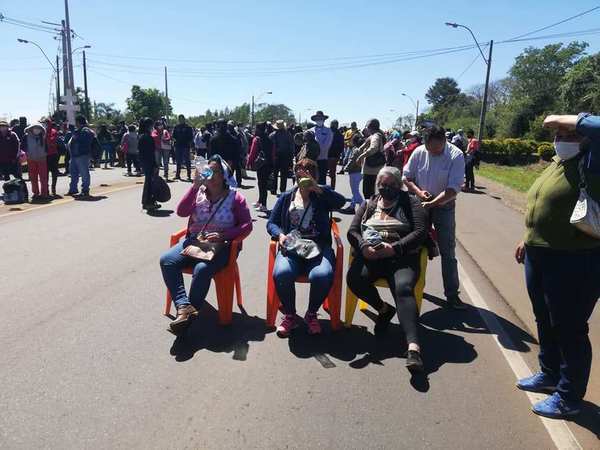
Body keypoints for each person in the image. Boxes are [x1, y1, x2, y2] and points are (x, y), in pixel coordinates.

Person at [514, 113, 600, 419]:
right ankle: (549, 374)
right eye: (559, 135)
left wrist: (568, 118)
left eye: (570, 134)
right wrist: (528, 238)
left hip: (575, 258)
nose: (562, 139)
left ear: (586, 139)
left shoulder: (592, 163)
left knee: (570, 328)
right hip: (540, 253)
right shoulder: (558, 164)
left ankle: (569, 396)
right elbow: (543, 206)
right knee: (545, 320)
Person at [347, 166, 428, 371]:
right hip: (373, 256)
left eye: (392, 185)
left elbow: (420, 232)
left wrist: (394, 248)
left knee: (402, 288)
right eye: (382, 184)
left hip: (400, 257)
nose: (386, 188)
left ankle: (413, 348)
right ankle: (384, 310)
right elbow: (353, 231)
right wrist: (364, 247)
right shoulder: (368, 203)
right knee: (355, 279)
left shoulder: (411, 202)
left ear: (400, 185)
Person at [160, 154, 253, 334]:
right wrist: (195, 186)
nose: (212, 176)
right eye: (208, 171)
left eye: (217, 172)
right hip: (195, 242)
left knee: (202, 269)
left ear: (224, 175)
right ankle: (184, 307)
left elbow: (246, 225)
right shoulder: (199, 193)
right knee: (167, 260)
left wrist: (224, 234)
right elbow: (181, 212)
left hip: (222, 247)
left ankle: (188, 316)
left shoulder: (235, 197)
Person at [267, 158, 346, 337]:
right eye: (300, 170)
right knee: (282, 273)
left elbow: (341, 202)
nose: (303, 174)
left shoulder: (322, 193)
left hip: (318, 247)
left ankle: (311, 314)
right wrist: (280, 235)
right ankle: (290, 314)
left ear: (316, 174)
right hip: (293, 248)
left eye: (309, 171)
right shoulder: (287, 196)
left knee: (322, 275)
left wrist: (317, 188)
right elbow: (272, 222)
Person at [403, 124, 466, 309]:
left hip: (444, 206)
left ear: (444, 142)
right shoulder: (419, 152)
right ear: (425, 142)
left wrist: (432, 203)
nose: (433, 152)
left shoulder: (456, 155)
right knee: (413, 246)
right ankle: (410, 286)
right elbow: (406, 177)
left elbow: (453, 188)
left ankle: (452, 295)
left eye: (437, 149)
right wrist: (419, 192)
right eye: (430, 149)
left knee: (448, 251)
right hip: (420, 203)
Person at [247, 122, 273, 213]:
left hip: (261, 165)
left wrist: (249, 163)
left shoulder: (257, 139)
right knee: (263, 184)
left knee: (262, 185)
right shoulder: (269, 138)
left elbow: (252, 153)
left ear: (258, 129)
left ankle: (264, 205)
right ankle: (260, 201)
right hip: (268, 164)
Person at [356, 119, 386, 199]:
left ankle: (370, 210)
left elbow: (373, 148)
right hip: (374, 169)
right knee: (370, 193)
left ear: (370, 127)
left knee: (368, 193)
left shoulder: (376, 136)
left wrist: (361, 156)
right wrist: (361, 149)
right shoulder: (375, 135)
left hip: (371, 170)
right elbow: (365, 144)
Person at [66, 116, 94, 197]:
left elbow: (81, 139)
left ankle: (85, 190)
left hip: (82, 155)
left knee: (84, 173)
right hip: (75, 155)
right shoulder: (78, 130)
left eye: (76, 122)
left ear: (79, 122)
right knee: (73, 173)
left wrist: (73, 132)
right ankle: (73, 189)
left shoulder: (86, 130)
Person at [139, 118, 160, 210]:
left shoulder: (141, 136)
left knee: (148, 182)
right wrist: (155, 164)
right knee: (149, 183)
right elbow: (150, 153)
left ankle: (147, 201)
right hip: (149, 162)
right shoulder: (147, 137)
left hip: (144, 162)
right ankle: (148, 202)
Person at [23, 123, 48, 200]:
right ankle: (35, 193)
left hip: (42, 159)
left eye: (39, 128)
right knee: (33, 177)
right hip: (31, 159)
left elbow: (46, 147)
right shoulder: (26, 137)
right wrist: (27, 153)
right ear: (31, 128)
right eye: (35, 128)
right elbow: (23, 147)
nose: (37, 130)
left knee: (43, 177)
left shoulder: (43, 137)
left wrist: (44, 154)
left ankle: (44, 193)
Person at [342, 133, 365, 213]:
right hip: (360, 172)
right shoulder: (362, 149)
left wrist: (345, 168)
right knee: (355, 191)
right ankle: (352, 206)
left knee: (355, 192)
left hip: (354, 172)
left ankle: (364, 207)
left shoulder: (356, 150)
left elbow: (352, 161)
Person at [270, 119, 295, 194]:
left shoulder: (272, 135)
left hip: (276, 157)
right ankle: (282, 190)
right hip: (285, 157)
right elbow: (291, 147)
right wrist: (291, 156)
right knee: (284, 175)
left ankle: (273, 189)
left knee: (274, 174)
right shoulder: (288, 134)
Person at [310, 111, 333, 184]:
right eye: (318, 118)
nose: (319, 120)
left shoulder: (328, 131)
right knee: (312, 179)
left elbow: (327, 145)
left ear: (323, 119)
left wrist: (317, 149)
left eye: (321, 118)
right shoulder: (310, 131)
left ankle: (321, 195)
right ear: (315, 119)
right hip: (312, 159)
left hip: (322, 159)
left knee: (322, 180)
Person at [172, 114, 194, 181]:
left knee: (187, 161)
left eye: (182, 118)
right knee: (178, 161)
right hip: (178, 146)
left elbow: (191, 137)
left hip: (185, 146)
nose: (181, 120)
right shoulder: (176, 127)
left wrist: (189, 144)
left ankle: (189, 175)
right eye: (179, 119)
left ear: (184, 119)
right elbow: (173, 136)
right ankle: (177, 175)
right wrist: (175, 142)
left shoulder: (188, 127)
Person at [44, 119, 60, 196]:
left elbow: (52, 141)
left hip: (53, 155)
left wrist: (46, 138)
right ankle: (46, 190)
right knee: (45, 174)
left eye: (46, 123)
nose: (45, 124)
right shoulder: (41, 131)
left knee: (54, 173)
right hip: (45, 156)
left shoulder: (53, 131)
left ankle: (53, 189)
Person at [327, 119, 344, 189]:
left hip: (327, 155)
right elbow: (342, 147)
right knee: (332, 174)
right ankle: (332, 188)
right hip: (334, 156)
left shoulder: (327, 132)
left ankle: (324, 188)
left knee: (324, 173)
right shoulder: (340, 135)